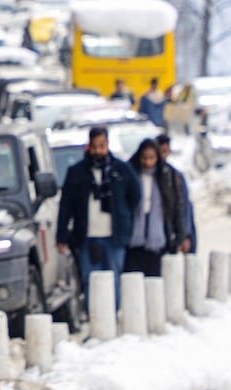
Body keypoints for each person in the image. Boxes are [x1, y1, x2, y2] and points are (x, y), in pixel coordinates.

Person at [56, 126, 141, 306]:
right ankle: (93, 313)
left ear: (107, 145)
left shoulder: (121, 170)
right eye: (94, 147)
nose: (97, 151)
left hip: (114, 236)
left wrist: (123, 214)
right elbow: (66, 206)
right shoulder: (77, 172)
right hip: (86, 236)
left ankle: (113, 314)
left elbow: (135, 196)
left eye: (101, 146)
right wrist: (61, 235)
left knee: (114, 278)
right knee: (90, 279)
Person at [124, 139, 187, 277]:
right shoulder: (131, 176)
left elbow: (176, 207)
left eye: (151, 158)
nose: (148, 162)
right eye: (144, 158)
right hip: (134, 241)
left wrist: (180, 236)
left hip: (159, 240)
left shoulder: (166, 176)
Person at [156, 135, 196, 253]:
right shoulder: (147, 176)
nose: (162, 155)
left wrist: (185, 235)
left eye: (164, 151)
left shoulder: (175, 176)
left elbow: (184, 206)